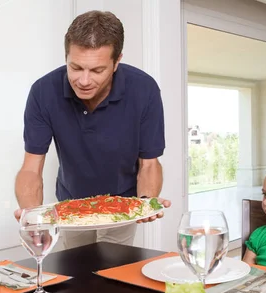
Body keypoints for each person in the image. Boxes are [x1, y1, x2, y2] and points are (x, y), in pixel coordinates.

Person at [14, 10, 170, 249]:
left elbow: (149, 164)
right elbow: (31, 169)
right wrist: (32, 216)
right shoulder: (43, 92)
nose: (84, 81)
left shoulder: (144, 89)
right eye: (75, 67)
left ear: (117, 62)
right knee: (76, 273)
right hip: (70, 206)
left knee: (113, 271)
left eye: (97, 71)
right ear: (66, 56)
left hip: (123, 204)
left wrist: (145, 203)